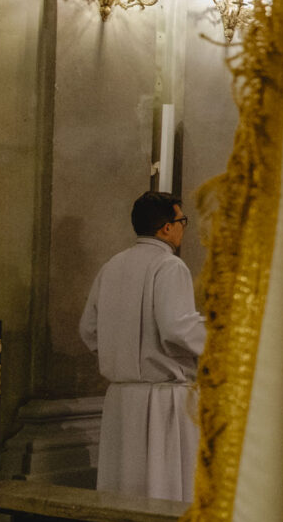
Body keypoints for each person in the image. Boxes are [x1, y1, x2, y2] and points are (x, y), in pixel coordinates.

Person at [81, 191, 205, 503]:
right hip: (163, 401)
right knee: (164, 490)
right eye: (182, 221)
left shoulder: (112, 266)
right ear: (167, 227)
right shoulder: (170, 266)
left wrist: (119, 353)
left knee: (123, 489)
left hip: (121, 401)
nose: (183, 228)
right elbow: (178, 327)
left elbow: (88, 330)